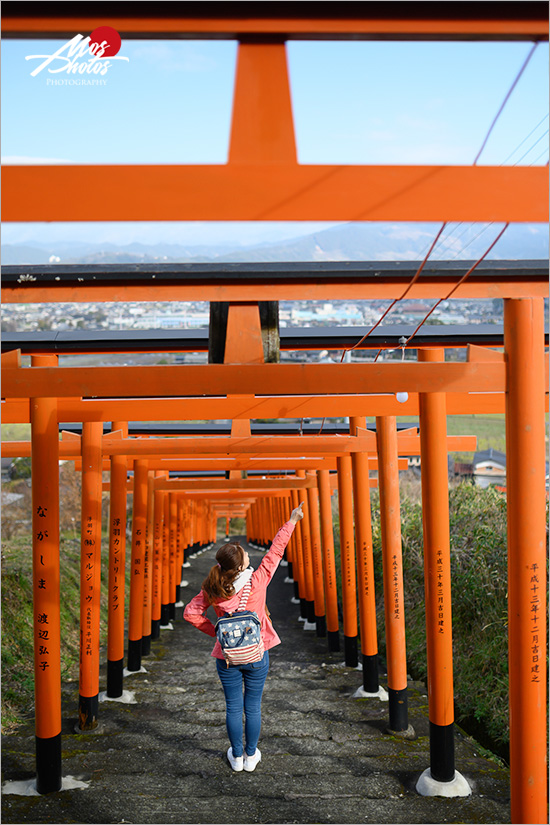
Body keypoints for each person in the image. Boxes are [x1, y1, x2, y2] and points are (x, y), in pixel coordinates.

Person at [183, 503, 304, 772]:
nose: (249, 554)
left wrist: (215, 630)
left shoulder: (213, 587)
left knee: (233, 707)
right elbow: (276, 550)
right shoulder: (258, 580)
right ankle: (251, 756)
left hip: (226, 657)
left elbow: (190, 613)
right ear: (240, 565)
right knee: (253, 706)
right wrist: (292, 520)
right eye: (245, 554)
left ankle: (236, 757)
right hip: (257, 653)